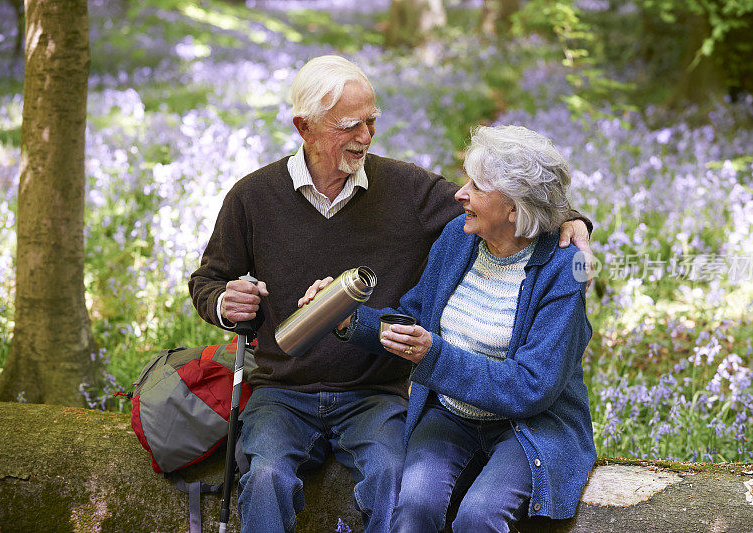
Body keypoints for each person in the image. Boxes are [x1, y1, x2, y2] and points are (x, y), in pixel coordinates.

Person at [189, 55, 593, 532]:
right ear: (305, 127)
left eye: (372, 121)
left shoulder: (410, 192)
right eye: (350, 125)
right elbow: (208, 280)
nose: (366, 135)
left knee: (392, 478)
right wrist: (223, 301)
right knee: (267, 476)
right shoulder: (253, 196)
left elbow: (516, 201)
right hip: (283, 390)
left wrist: (568, 218)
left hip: (373, 394)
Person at [302, 125, 596, 531]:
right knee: (415, 507)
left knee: (479, 517)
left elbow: (532, 387)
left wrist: (433, 354)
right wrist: (351, 318)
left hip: (529, 425)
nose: (461, 193)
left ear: (514, 207)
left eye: (477, 186)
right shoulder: (457, 238)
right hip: (451, 413)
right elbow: (416, 319)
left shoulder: (564, 272)